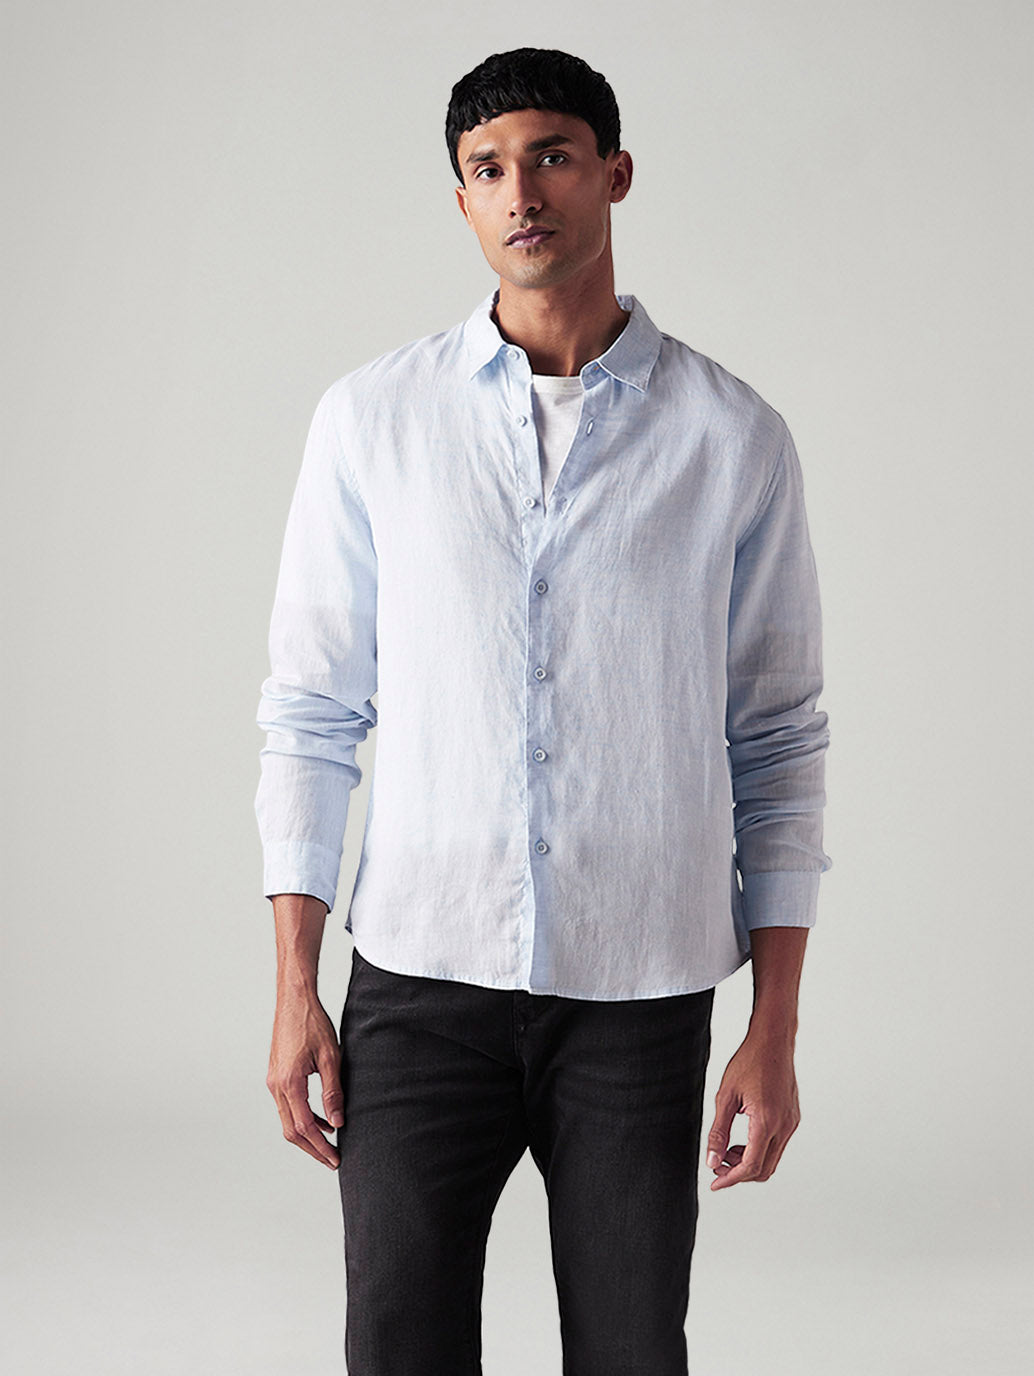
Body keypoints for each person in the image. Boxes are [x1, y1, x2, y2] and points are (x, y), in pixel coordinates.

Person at [255, 46, 832, 1376]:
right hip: (419, 980)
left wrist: (775, 1026)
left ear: (614, 175)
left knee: (632, 1351)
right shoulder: (372, 422)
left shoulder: (731, 438)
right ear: (460, 198)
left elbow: (779, 740)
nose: (523, 192)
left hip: (639, 994)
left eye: (553, 157)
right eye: (488, 168)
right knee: (398, 1347)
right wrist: (294, 988)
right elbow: (312, 711)